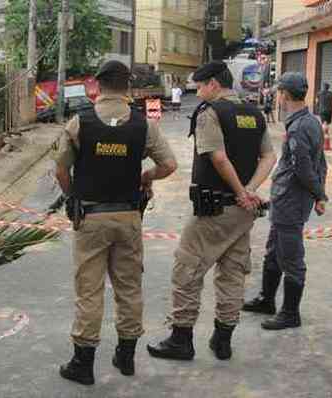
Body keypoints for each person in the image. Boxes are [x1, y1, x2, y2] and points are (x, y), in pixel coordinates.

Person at [55, 60, 178, 385]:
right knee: (128, 287)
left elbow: (60, 170)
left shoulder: (79, 123)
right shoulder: (143, 125)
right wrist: (145, 176)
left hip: (91, 217)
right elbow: (169, 164)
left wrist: (71, 198)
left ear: (98, 84)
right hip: (128, 217)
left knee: (89, 290)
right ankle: (126, 358)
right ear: (128, 87)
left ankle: (83, 364)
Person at [146, 61, 277, 361]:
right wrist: (250, 191)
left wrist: (241, 192)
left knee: (187, 269)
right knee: (232, 273)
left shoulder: (211, 112)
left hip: (215, 209)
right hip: (242, 213)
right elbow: (269, 156)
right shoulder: (253, 113)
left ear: (215, 84)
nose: (198, 90)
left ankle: (181, 340)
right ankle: (223, 340)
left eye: (201, 85)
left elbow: (218, 158)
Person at [243, 72, 328, 330]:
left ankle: (290, 313)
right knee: (273, 252)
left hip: (291, 201)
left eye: (279, 92)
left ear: (285, 95)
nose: (277, 96)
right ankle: (267, 299)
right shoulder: (308, 121)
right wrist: (319, 191)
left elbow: (304, 167)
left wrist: (319, 195)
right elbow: (321, 163)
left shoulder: (301, 127)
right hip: (286, 200)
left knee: (291, 257)